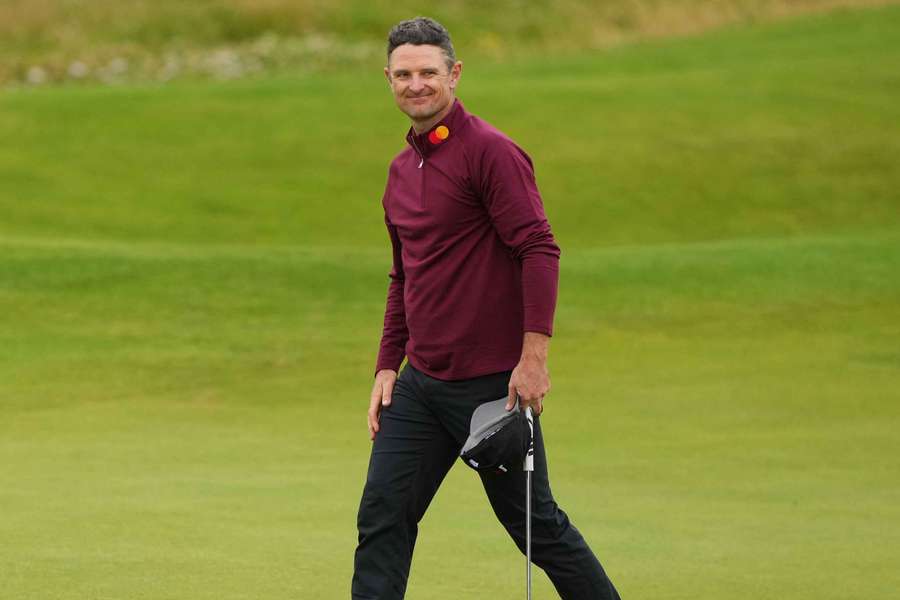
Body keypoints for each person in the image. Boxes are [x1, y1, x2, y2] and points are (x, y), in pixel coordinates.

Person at [352, 16, 621, 600]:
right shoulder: (400, 172)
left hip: (492, 389)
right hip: (421, 385)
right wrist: (386, 365)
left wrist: (533, 360)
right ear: (388, 79)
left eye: (428, 72)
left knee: (536, 528)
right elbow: (404, 277)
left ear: (454, 74)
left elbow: (538, 249)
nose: (415, 84)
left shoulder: (491, 153)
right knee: (382, 518)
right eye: (403, 74)